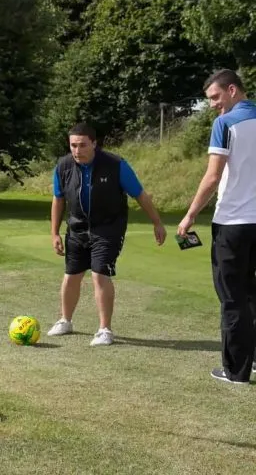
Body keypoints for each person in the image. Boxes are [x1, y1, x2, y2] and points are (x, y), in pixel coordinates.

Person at [48, 122, 167, 345]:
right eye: (73, 145)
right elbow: (58, 198)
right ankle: (65, 320)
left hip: (108, 228)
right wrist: (54, 232)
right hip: (76, 228)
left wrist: (157, 223)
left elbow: (140, 194)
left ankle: (105, 330)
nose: (77, 150)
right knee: (71, 275)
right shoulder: (63, 166)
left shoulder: (115, 164)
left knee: (99, 273)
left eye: (82, 145)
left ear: (94, 143)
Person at [178, 69, 256, 384]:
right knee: (253, 295)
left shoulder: (225, 124)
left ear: (232, 90)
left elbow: (212, 176)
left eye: (215, 97)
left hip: (233, 223)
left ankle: (236, 370)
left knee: (232, 297)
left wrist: (189, 215)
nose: (212, 105)